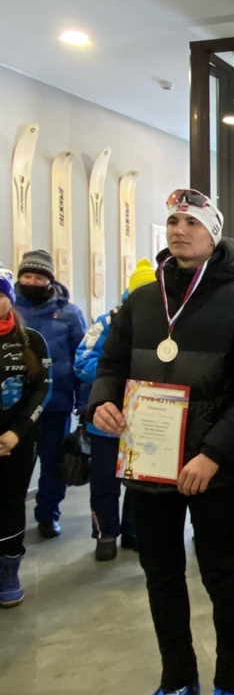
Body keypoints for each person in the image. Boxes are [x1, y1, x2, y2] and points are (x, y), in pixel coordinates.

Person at [89, 190, 234, 695]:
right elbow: (110, 363)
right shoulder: (140, 301)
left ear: (213, 234)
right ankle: (178, 681)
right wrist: (102, 401)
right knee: (161, 574)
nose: (179, 230)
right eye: (173, 221)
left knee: (221, 575)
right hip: (149, 463)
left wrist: (214, 453)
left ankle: (229, 687)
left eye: (192, 223)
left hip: (212, 469)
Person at [74, 259, 156, 561]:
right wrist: (121, 375)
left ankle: (134, 532)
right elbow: (82, 362)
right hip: (104, 422)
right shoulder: (106, 323)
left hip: (145, 421)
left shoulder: (166, 324)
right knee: (104, 483)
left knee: (140, 483)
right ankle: (105, 533)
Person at [14, 249, 87, 538]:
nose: (32, 281)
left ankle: (48, 514)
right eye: (27, 276)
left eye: (39, 277)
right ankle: (11, 518)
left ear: (50, 280)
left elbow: (81, 360)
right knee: (13, 466)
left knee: (54, 464)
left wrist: (84, 403)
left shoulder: (70, 314)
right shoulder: (8, 308)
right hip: (14, 407)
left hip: (55, 404)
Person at [0, 267, 51, 606]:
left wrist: (16, 433)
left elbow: (42, 390)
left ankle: (8, 569)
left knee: (11, 502)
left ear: (9, 298)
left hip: (18, 439)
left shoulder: (31, 340)